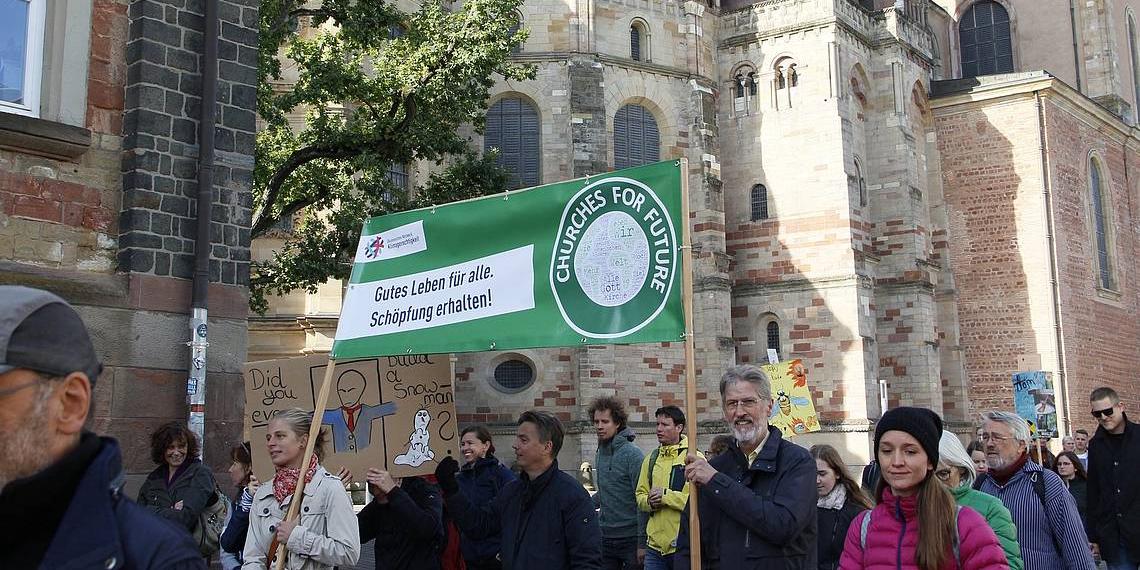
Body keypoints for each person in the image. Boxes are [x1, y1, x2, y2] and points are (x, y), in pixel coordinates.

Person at [0, 286, 205, 569]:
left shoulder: (158, 558)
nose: (175, 453)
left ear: (71, 403)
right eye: (170, 447)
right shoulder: (154, 481)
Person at [675, 365, 817, 570]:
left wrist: (717, 483)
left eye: (749, 402)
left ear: (769, 406)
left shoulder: (798, 462)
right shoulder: (713, 468)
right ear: (724, 411)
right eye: (732, 404)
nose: (740, 412)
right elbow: (689, 545)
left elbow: (783, 526)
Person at [838, 407, 1008, 570]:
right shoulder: (864, 527)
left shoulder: (965, 524)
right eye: (887, 451)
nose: (896, 461)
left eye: (910, 452)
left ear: (929, 461)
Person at [435, 410, 603, 569]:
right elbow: (479, 525)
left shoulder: (572, 495)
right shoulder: (512, 492)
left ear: (547, 446)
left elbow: (586, 560)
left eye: (524, 440)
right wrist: (451, 488)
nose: (515, 445)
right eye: (517, 439)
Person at [241, 408, 360, 569]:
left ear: (303, 441)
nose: (270, 443)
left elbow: (348, 553)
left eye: (280, 436)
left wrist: (297, 538)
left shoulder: (330, 489)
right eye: (269, 437)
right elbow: (253, 557)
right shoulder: (263, 494)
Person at [976, 410, 1094, 570]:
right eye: (985, 437)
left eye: (997, 437)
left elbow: (1075, 546)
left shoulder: (1046, 483)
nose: (989, 443)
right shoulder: (980, 486)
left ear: (1021, 444)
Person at [937, 431, 1023, 570]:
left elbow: (1008, 564)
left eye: (943, 474)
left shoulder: (990, 508)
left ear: (962, 470)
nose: (936, 484)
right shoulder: (905, 507)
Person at [137, 421, 219, 551]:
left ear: (189, 447)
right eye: (170, 447)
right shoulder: (154, 478)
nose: (176, 452)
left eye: (181, 446)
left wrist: (151, 510)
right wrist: (171, 511)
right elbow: (138, 516)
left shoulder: (200, 474)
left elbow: (185, 518)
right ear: (162, 449)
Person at [636, 406, 701, 570]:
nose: (659, 429)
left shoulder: (694, 457)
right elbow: (639, 496)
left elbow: (697, 501)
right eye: (657, 424)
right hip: (654, 548)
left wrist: (665, 496)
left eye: (665, 425)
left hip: (683, 545)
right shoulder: (651, 459)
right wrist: (649, 501)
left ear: (679, 428)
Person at [589, 396, 647, 570]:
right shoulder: (600, 453)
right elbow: (606, 491)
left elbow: (642, 499)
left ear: (618, 423)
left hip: (631, 538)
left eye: (605, 421)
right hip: (605, 537)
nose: (599, 426)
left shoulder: (633, 454)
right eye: (596, 421)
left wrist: (642, 543)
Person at [1086, 386, 1140, 570]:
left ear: (1121, 406)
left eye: (1107, 411)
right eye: (1097, 414)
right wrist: (1093, 535)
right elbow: (1093, 491)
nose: (1103, 417)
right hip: (1115, 537)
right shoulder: (1095, 446)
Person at [455, 425, 517, 570]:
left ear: (486, 445)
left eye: (470, 443)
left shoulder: (501, 474)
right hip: (469, 557)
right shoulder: (460, 479)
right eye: (462, 444)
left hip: (495, 557)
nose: (465, 448)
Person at [357, 470, 443, 570]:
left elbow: (428, 528)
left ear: (397, 480)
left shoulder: (423, 490)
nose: (377, 495)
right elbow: (358, 533)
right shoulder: (378, 504)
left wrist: (394, 493)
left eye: (383, 493)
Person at [811, 444, 871, 570]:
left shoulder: (856, 512)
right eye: (812, 473)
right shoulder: (800, 508)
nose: (817, 480)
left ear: (837, 473)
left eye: (822, 474)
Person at [220, 442, 259, 569]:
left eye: (235, 463)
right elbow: (227, 545)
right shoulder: (238, 502)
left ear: (248, 467)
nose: (230, 469)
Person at [1052, 451, 1088, 533]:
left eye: (1066, 464)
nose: (1062, 467)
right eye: (1059, 464)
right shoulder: (1053, 486)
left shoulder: (1085, 486)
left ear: (1075, 467)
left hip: (1082, 531)